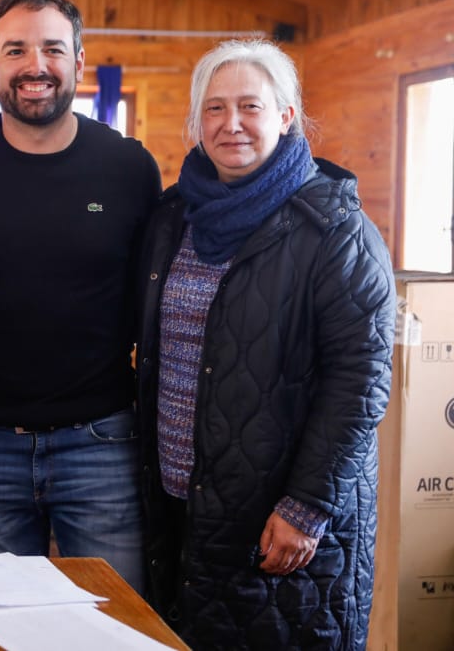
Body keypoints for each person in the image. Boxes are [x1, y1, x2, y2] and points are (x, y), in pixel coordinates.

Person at [136, 40, 393, 649]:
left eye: (249, 106)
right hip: (182, 504)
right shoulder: (173, 217)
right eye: (215, 108)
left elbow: (361, 380)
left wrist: (306, 505)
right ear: (196, 123)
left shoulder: (335, 229)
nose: (231, 124)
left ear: (285, 116)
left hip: (280, 516)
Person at [0, 0, 160, 591]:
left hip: (102, 440)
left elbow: (152, 297)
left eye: (53, 48)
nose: (35, 65)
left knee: (113, 626)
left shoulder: (129, 167)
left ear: (80, 60)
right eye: (16, 49)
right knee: (5, 628)